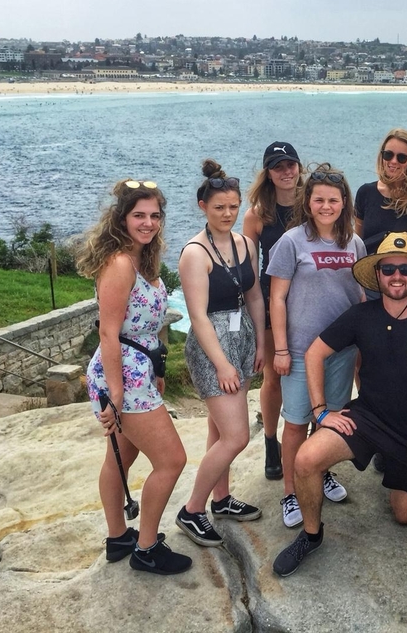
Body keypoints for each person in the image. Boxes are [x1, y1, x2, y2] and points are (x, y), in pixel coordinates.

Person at [271, 233, 407, 576]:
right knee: (305, 459)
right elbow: (315, 352)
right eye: (388, 268)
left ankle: (404, 468)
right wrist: (320, 411)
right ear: (377, 275)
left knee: (406, 516)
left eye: (405, 268)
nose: (397, 275)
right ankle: (311, 534)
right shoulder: (361, 315)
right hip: (366, 419)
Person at [79, 179, 191, 575]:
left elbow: (143, 329)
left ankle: (118, 538)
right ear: (121, 217)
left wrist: (157, 368)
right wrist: (116, 392)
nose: (148, 223)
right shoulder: (120, 263)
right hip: (123, 375)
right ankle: (146, 548)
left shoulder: (140, 258)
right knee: (172, 460)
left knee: (123, 455)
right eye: (139, 215)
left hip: (138, 368)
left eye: (154, 216)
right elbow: (108, 331)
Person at [267, 164, 365, 528]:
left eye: (333, 200)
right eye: (319, 199)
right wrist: (279, 348)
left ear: (344, 203)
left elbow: (358, 293)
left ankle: (318, 470)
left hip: (341, 351)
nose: (326, 206)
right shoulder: (291, 241)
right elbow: (277, 298)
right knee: (296, 423)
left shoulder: (353, 242)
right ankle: (291, 492)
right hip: (298, 350)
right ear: (308, 202)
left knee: (329, 421)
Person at [176, 160, 267, 547]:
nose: (227, 214)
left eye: (233, 207)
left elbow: (254, 294)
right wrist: (222, 363)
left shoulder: (245, 243)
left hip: (242, 335)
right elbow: (197, 316)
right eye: (219, 208)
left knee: (218, 427)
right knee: (236, 436)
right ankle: (191, 510)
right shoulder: (195, 254)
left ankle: (221, 498)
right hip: (213, 344)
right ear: (202, 206)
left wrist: (261, 342)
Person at [242, 141, 304, 481]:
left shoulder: (312, 204)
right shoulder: (257, 214)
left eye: (290, 164)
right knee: (273, 376)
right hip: (270, 298)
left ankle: (305, 440)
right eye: (278, 166)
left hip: (307, 295)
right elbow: (249, 268)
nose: (286, 171)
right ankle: (270, 440)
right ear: (268, 172)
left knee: (310, 369)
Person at [354, 128, 407, 265]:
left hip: (404, 276)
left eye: (401, 157)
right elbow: (357, 242)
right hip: (368, 274)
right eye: (388, 155)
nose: (393, 161)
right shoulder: (365, 193)